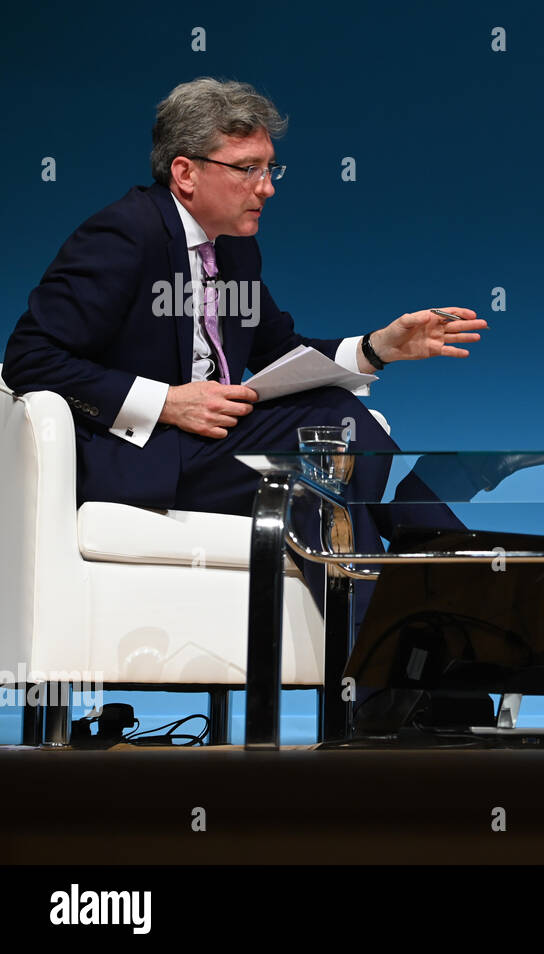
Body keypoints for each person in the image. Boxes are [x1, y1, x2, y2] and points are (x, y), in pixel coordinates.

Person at [2, 77, 485, 618]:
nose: (267, 188)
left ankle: (418, 632)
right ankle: (442, 574)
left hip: (213, 448)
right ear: (185, 173)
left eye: (270, 168)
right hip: (141, 453)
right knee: (332, 431)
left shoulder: (234, 251)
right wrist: (167, 401)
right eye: (247, 168)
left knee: (331, 444)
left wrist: (379, 348)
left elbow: (282, 353)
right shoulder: (123, 234)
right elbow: (29, 357)